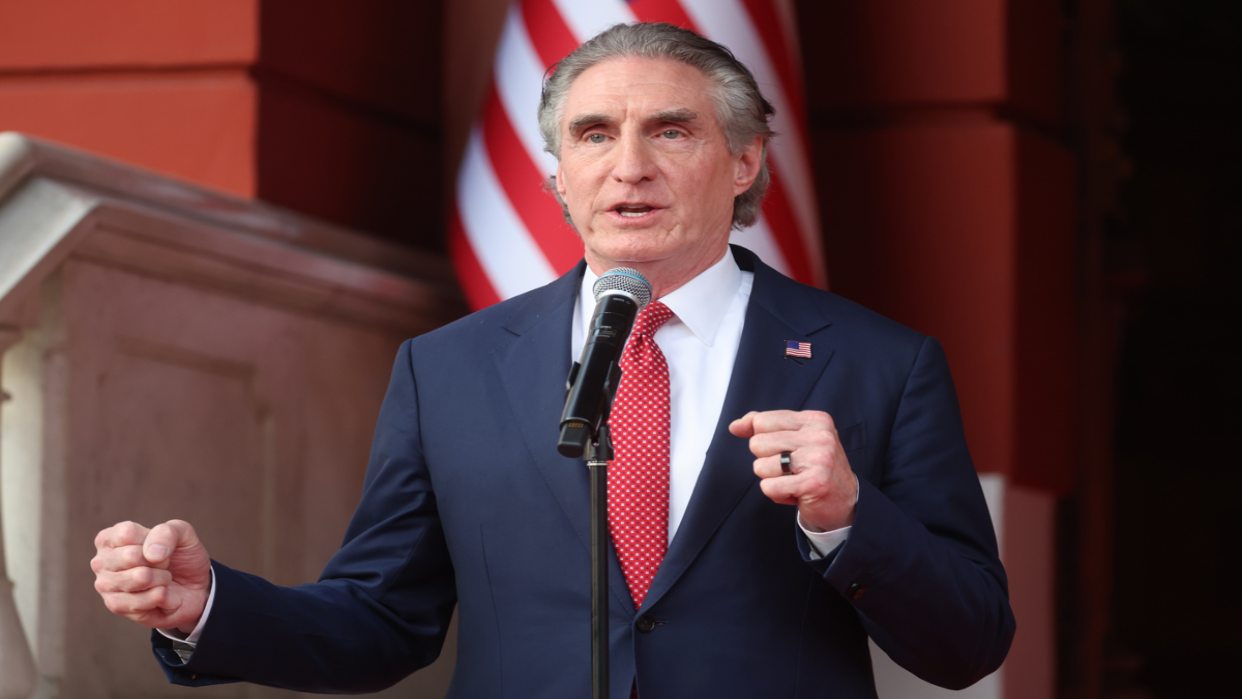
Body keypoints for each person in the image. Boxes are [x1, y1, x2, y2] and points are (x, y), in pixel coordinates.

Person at [91, 22, 1014, 698]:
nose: (629, 166)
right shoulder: (446, 369)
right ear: (555, 174)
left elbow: (970, 642)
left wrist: (849, 518)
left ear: (744, 162)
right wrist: (208, 606)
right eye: (594, 134)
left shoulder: (881, 364)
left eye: (672, 130)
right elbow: (381, 619)